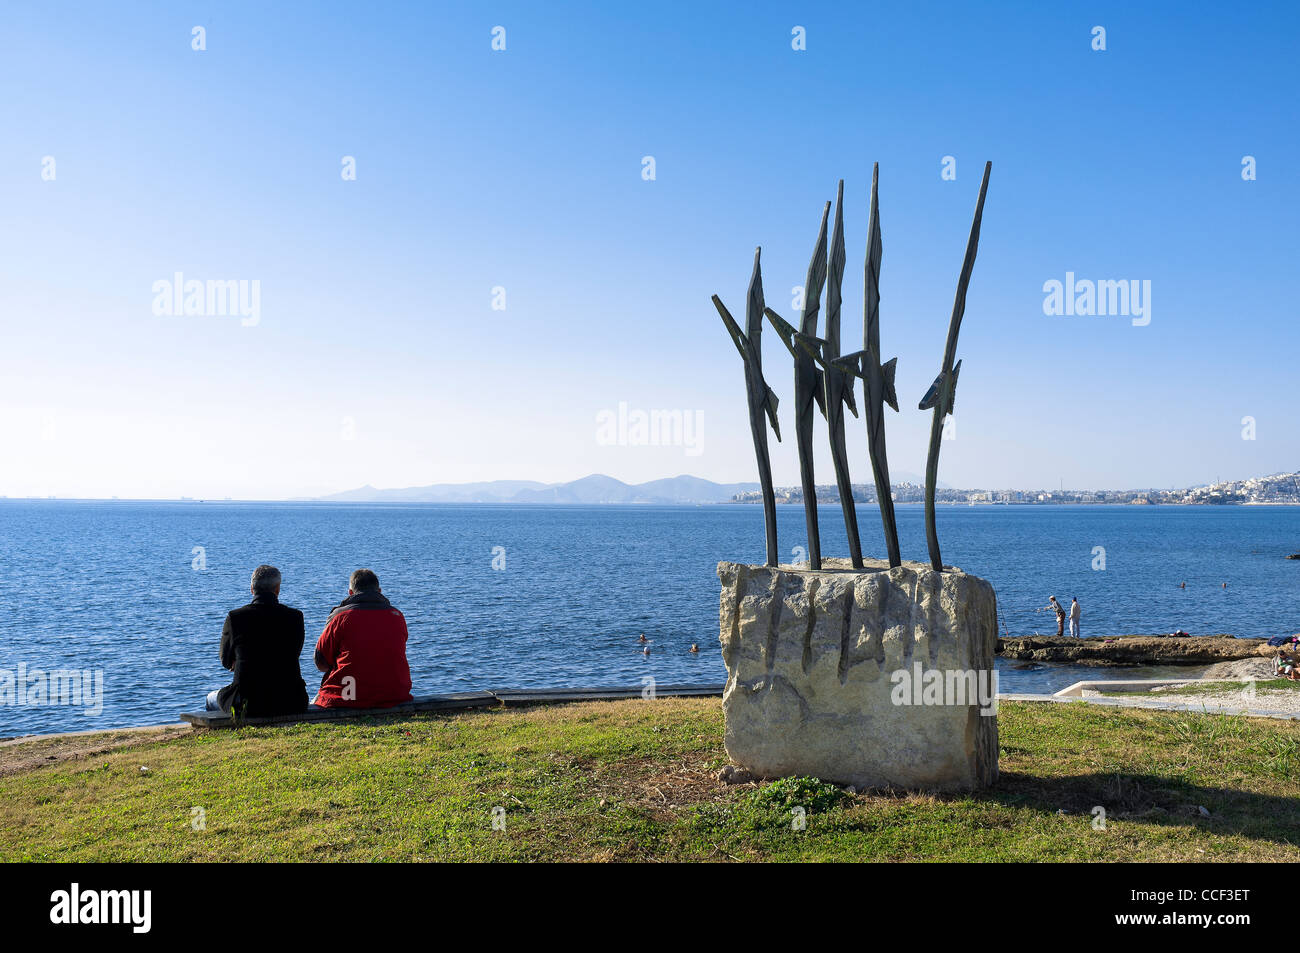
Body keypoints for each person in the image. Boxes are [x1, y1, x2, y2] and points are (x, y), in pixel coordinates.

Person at [207, 565, 308, 717]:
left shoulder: (235, 618)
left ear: (252, 589)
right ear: (277, 589)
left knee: (210, 699)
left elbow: (226, 660)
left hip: (248, 703)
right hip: (291, 700)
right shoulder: (295, 617)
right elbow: (294, 653)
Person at [313, 569, 413, 709]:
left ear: (351, 593)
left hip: (348, 696)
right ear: (379, 591)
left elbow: (321, 662)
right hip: (394, 694)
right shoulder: (397, 616)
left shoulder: (341, 618)